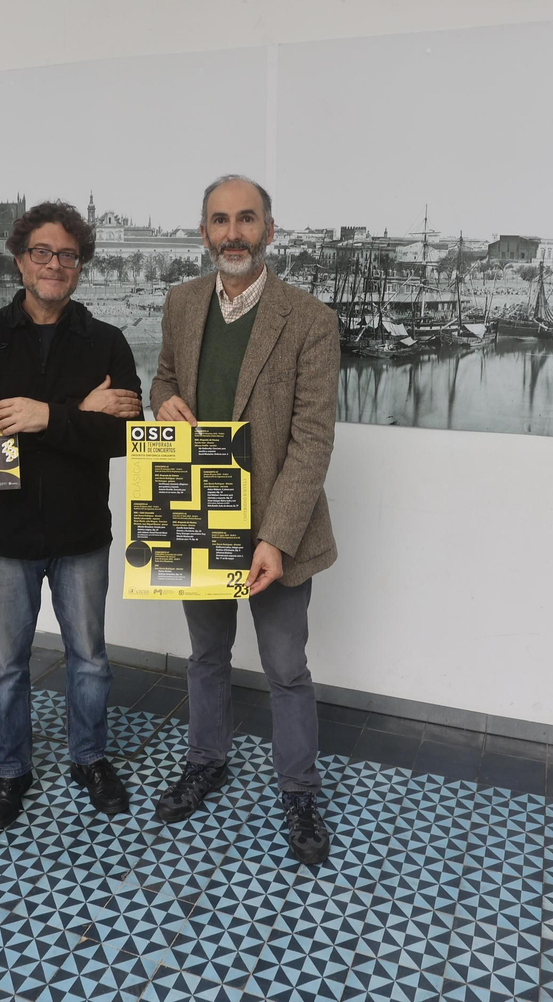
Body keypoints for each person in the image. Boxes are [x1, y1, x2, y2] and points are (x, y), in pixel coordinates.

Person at [150, 175, 341, 865]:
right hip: (199, 512)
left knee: (286, 668)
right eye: (220, 220)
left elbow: (313, 440)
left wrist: (275, 539)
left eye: (246, 219)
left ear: (268, 229)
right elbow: (165, 379)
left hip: (275, 532)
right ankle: (208, 760)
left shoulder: (310, 318)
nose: (233, 232)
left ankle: (298, 790)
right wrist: (163, 402)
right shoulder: (180, 303)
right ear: (204, 232)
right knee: (205, 656)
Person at [0, 201, 143, 832]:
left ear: (80, 265)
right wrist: (78, 412)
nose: (54, 264)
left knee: (90, 658)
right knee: (6, 664)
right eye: (42, 252)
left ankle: (89, 759)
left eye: (66, 254)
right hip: (6, 533)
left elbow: (124, 438)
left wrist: (42, 415)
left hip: (82, 531)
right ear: (20, 259)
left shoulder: (107, 341)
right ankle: (10, 771)